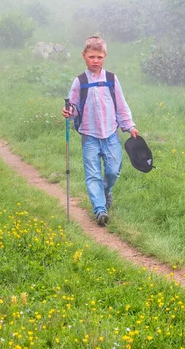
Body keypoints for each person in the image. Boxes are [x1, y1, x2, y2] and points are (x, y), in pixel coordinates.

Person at [62, 36, 139, 227]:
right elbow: (74, 107)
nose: (95, 61)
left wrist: (129, 126)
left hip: (111, 134)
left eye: (99, 57)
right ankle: (100, 210)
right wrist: (69, 112)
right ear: (84, 56)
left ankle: (106, 192)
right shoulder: (79, 81)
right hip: (89, 135)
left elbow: (121, 105)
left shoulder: (112, 79)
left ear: (105, 56)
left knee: (113, 171)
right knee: (93, 175)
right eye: (91, 57)